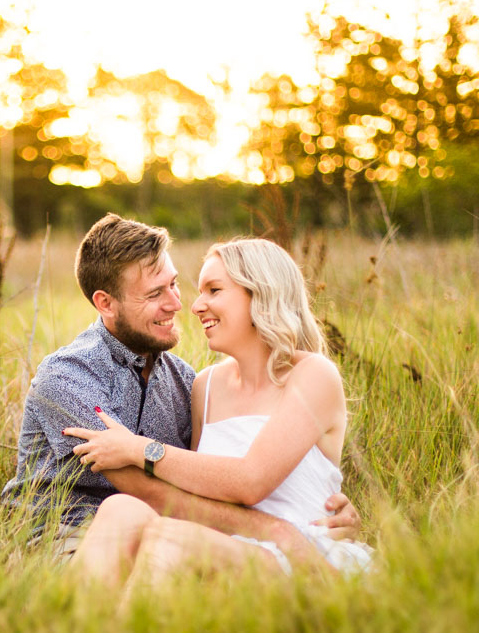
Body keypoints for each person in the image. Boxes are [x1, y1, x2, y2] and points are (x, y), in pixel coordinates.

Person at [1, 214, 360, 556]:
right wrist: (278, 530)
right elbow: (148, 492)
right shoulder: (67, 377)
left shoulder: (186, 380)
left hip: (167, 533)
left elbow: (210, 474)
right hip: (65, 537)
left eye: (173, 284)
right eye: (155, 294)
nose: (178, 304)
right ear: (106, 304)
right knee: (132, 520)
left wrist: (318, 502)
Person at [64, 237, 374, 588]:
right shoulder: (206, 386)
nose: (195, 306)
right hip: (227, 542)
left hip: (301, 554)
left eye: (214, 289)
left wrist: (138, 449)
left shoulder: (313, 374)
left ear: (261, 293)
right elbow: (197, 492)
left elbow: (250, 481)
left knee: (171, 539)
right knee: (121, 509)